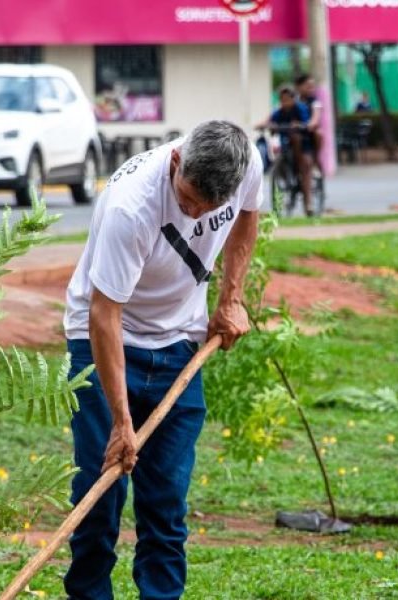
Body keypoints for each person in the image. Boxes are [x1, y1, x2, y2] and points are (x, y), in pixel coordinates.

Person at [62, 120, 262, 599]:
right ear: (176, 162)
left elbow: (248, 217)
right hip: (107, 341)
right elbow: (104, 315)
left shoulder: (247, 163)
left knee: (166, 504)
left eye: (207, 208)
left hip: (179, 347)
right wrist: (120, 420)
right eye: (188, 199)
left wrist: (230, 298)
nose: (195, 214)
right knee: (99, 497)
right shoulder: (130, 207)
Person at [259, 86, 315, 216]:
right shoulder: (279, 112)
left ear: (293, 99)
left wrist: (300, 125)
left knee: (304, 166)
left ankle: (308, 203)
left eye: (287, 99)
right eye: (282, 100)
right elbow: (269, 120)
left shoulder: (300, 109)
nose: (285, 102)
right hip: (286, 144)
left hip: (302, 144)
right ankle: (284, 173)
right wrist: (264, 125)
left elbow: (306, 123)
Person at [295, 74, 325, 172]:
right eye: (308, 86)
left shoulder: (314, 102)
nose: (311, 89)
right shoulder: (293, 100)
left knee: (319, 133)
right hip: (294, 130)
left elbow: (316, 115)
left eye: (312, 86)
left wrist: (311, 124)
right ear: (299, 86)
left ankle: (315, 157)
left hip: (308, 130)